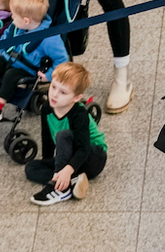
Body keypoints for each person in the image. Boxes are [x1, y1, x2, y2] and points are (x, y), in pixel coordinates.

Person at [0, 0, 67, 124]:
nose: (11, 17)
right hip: (8, 57)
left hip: (27, 68)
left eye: (14, 16)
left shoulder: (49, 39)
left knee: (10, 76)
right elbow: (6, 38)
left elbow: (62, 60)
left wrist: (49, 75)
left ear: (26, 21)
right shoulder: (16, 26)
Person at [27, 62, 108, 206]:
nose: (55, 94)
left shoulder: (79, 114)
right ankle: (70, 180)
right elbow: (47, 137)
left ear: (76, 98)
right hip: (71, 156)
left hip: (93, 156)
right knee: (31, 168)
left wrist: (65, 169)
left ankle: (60, 188)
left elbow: (83, 149)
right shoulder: (47, 108)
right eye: (53, 87)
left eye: (63, 92)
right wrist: (48, 162)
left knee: (63, 135)